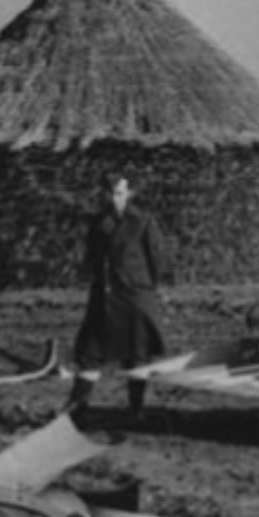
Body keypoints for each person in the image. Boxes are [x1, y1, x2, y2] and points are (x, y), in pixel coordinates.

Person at [67, 170, 171, 417]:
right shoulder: (98, 223)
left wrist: (151, 289)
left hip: (134, 297)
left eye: (119, 193)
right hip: (104, 297)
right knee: (90, 354)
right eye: (109, 193)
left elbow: (158, 260)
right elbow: (92, 257)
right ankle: (77, 407)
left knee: (138, 355)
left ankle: (136, 408)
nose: (114, 199)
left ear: (129, 194)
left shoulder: (143, 221)